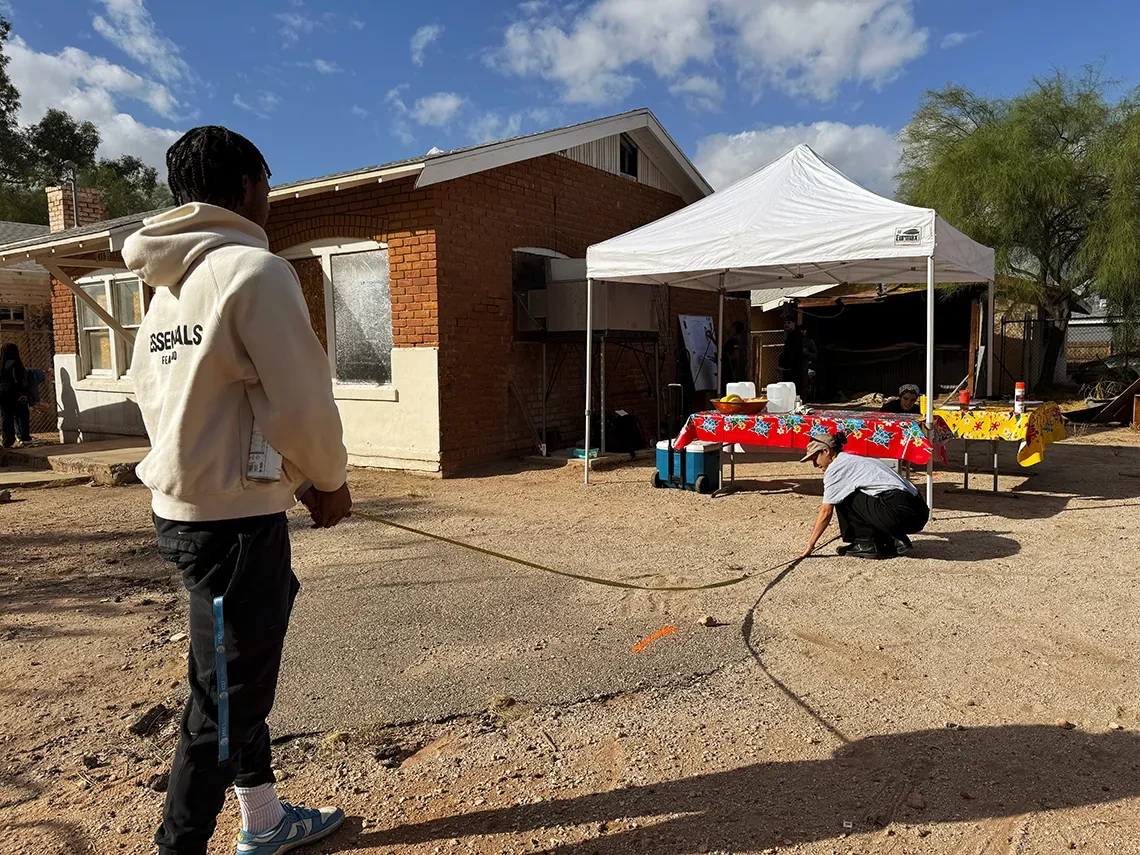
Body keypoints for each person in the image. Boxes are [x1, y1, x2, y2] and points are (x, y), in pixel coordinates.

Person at [122, 126, 352, 855]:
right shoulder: (255, 270)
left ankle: (263, 817)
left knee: (234, 677)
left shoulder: (163, 286)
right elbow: (302, 400)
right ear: (248, 185)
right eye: (269, 181)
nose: (272, 197)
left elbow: (154, 394)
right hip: (236, 528)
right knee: (222, 703)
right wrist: (327, 480)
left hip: (193, 514)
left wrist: (279, 476)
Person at [799, 432, 929, 559]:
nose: (815, 465)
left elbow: (826, 512)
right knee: (858, 491)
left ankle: (865, 542)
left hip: (898, 511)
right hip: (919, 512)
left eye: (815, 458)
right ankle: (889, 539)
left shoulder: (836, 468)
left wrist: (810, 545)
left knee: (842, 496)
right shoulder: (856, 460)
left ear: (826, 451)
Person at [0, 342, 32, 447]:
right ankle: (24, 437)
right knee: (22, 415)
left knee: (6, 417)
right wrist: (23, 393)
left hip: (2, 393)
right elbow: (18, 380)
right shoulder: (15, 363)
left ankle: (7, 440)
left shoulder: (1, 364)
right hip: (14, 393)